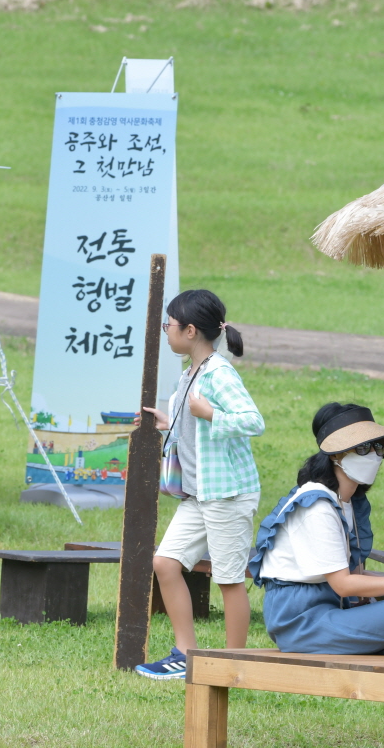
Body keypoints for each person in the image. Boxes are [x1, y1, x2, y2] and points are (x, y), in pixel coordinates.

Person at [133, 290, 263, 680]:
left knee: (228, 579)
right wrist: (167, 423)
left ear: (190, 331)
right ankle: (185, 653)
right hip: (199, 493)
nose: (166, 331)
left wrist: (209, 414)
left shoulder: (219, 373)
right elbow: (193, 428)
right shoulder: (191, 371)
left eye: (169, 325)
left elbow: (253, 420)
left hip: (228, 494)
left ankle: (233, 665)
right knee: (165, 563)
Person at [249, 402, 384, 654]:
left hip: (334, 611)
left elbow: (356, 577)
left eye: (378, 447)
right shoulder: (317, 506)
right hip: (302, 624)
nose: (374, 455)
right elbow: (343, 585)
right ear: (335, 454)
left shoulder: (347, 502)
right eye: (362, 448)